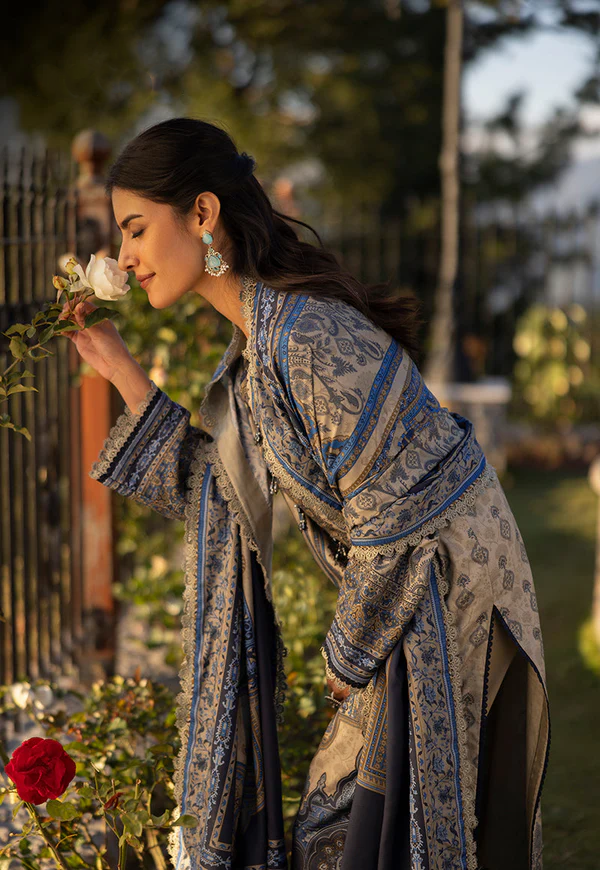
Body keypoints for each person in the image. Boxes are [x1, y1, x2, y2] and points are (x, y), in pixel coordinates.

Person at [60, 117, 549, 870]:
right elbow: (224, 498)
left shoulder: (304, 337)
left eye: (134, 230)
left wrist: (346, 657)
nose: (122, 257)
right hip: (403, 600)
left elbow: (399, 508)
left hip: (448, 599)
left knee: (366, 832)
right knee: (341, 829)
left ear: (201, 214)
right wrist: (124, 374)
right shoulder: (258, 350)